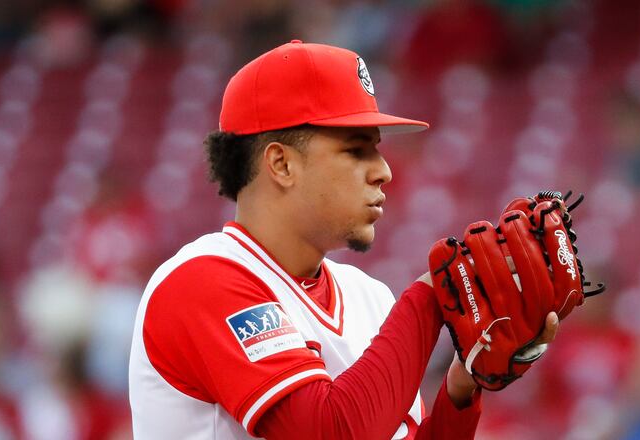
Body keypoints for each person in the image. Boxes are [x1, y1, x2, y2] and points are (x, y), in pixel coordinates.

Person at [128, 40, 558, 439]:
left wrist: (461, 389)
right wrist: (433, 296)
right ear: (281, 163)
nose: (383, 171)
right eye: (356, 150)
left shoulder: (368, 296)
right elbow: (330, 432)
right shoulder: (201, 280)